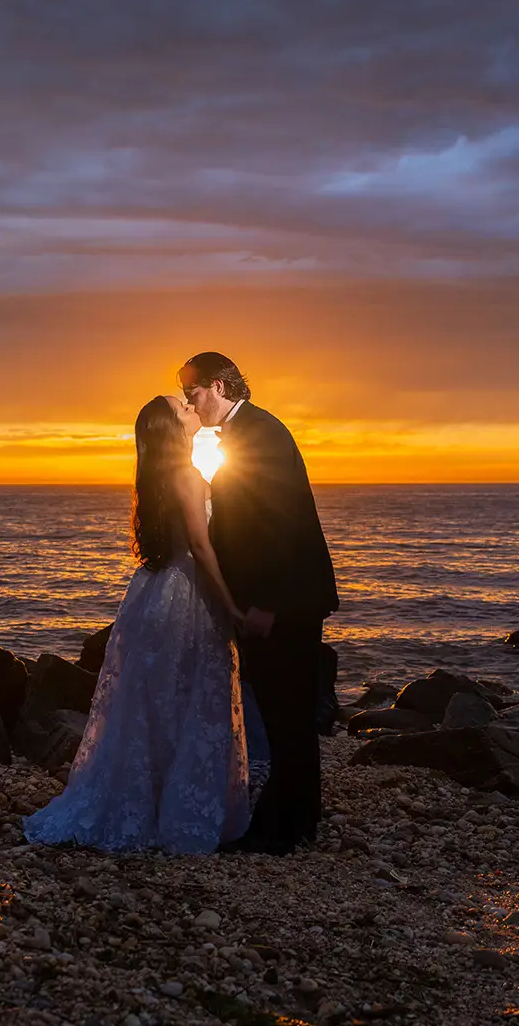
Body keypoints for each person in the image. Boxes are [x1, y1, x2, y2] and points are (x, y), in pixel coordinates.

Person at [23, 395, 251, 853]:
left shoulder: (156, 476)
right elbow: (204, 550)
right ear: (172, 427)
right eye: (181, 407)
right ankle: (176, 809)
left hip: (151, 593)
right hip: (185, 596)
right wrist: (233, 605)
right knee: (185, 696)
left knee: (153, 698)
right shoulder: (188, 475)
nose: (190, 405)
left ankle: (148, 797)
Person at [180, 351, 338, 854]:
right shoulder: (250, 432)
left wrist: (266, 602)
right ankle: (300, 819)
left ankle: (281, 830)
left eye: (194, 390)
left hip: (284, 600)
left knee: (285, 712)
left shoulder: (259, 434)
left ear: (221, 386)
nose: (189, 401)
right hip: (286, 596)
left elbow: (278, 524)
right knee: (288, 712)